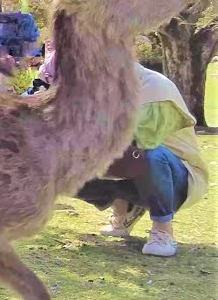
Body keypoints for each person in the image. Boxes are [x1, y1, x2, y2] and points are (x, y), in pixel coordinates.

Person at [75, 65, 209, 257]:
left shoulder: (155, 87)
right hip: (135, 169)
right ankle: (124, 211)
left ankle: (163, 231)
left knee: (146, 153)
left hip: (180, 178)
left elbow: (143, 140)